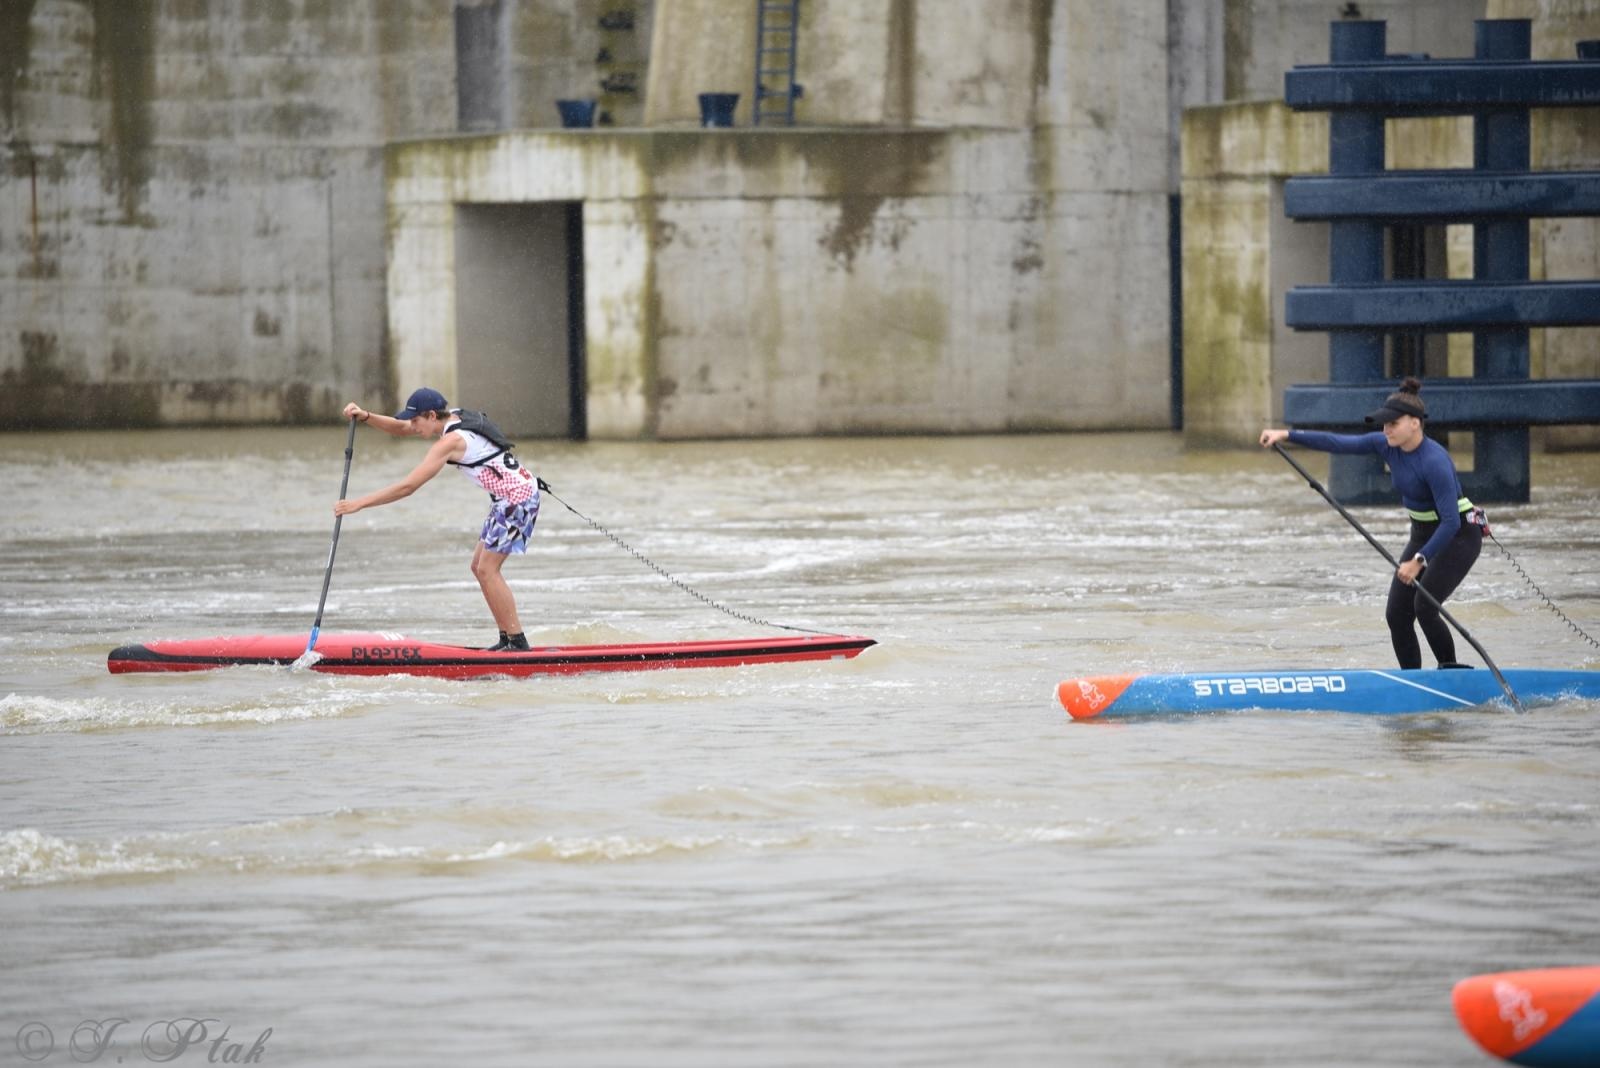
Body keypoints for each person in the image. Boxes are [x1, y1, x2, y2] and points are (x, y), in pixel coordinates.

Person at [1259, 377, 1484, 671]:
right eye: (1384, 424)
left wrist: (1419, 560)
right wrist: (1286, 434)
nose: (1386, 429)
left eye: (1393, 423)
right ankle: (1412, 682)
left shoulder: (1435, 462)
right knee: (1397, 614)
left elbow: (1451, 522)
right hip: (1423, 534)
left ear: (1415, 423)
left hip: (1458, 537)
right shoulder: (1386, 445)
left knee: (1425, 607)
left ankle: (1451, 672)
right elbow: (1337, 443)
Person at [336, 387, 541, 651]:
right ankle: (507, 638)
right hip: (509, 497)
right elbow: (400, 428)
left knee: (488, 570)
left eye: (415, 421)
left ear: (432, 415)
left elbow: (407, 487)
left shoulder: (450, 442)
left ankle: (518, 643)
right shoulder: (453, 416)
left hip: (518, 498)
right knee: (478, 567)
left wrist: (358, 504)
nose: (412, 427)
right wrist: (365, 416)